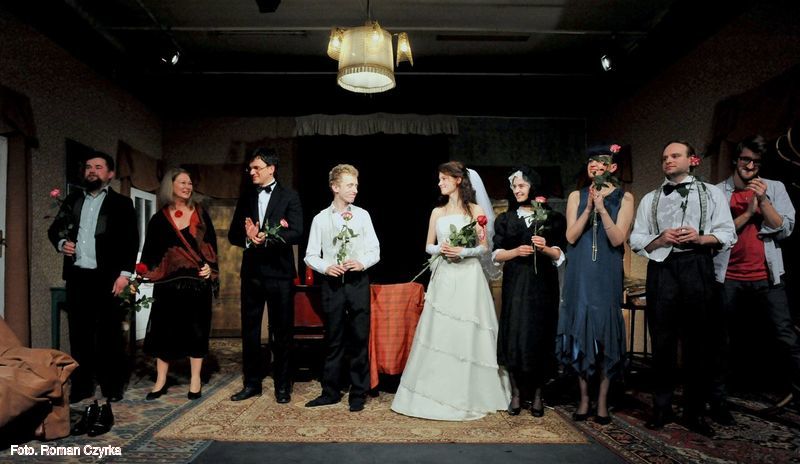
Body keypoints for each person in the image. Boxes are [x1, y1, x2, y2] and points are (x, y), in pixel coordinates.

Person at [630, 140, 736, 437]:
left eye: (675, 156)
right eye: (665, 157)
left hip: (697, 266)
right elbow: (635, 239)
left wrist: (700, 238)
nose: (668, 161)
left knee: (697, 343)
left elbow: (728, 233)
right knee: (661, 341)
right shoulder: (650, 198)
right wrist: (660, 239)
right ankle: (661, 408)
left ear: (693, 160)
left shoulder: (711, 193)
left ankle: (694, 411)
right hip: (662, 268)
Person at [391, 161, 511, 421]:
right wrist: (443, 249)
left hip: (469, 276)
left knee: (467, 328)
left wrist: (463, 251)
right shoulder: (438, 212)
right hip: (445, 275)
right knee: (442, 330)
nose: (440, 183)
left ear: (458, 180)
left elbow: (484, 247)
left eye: (444, 179)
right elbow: (428, 246)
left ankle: (471, 389)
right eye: (439, 179)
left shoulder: (476, 211)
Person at [47, 152, 138, 436]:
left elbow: (131, 240)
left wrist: (124, 275)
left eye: (98, 167)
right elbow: (54, 230)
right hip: (78, 278)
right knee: (80, 334)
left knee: (109, 334)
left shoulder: (121, 204)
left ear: (110, 174)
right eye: (88, 167)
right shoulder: (72, 200)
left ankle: (112, 387)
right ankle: (82, 386)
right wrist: (62, 243)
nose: (92, 171)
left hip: (107, 278)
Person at [709, 135, 797, 425]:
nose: (750, 166)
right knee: (721, 340)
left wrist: (763, 201)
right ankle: (718, 402)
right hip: (728, 277)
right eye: (745, 159)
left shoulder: (775, 187)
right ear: (736, 159)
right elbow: (717, 233)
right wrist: (748, 213)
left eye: (756, 162)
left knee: (786, 337)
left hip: (767, 276)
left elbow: (783, 228)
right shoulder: (717, 192)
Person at [556, 145, 634, 425]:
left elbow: (618, 239)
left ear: (612, 167)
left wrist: (602, 209)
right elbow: (570, 237)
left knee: (604, 333)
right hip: (579, 272)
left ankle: (602, 400)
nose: (594, 165)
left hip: (606, 272)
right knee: (579, 330)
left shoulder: (625, 197)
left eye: (601, 161)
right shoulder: (576, 196)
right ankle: (583, 398)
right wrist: (588, 207)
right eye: (590, 161)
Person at [228, 147, 303, 403]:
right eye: (250, 168)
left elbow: (297, 232)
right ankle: (252, 384)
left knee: (282, 331)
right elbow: (233, 234)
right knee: (249, 331)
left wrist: (268, 238)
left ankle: (283, 385)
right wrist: (249, 238)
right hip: (252, 274)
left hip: (280, 274)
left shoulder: (289, 196)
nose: (252, 172)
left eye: (256, 168)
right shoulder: (246, 196)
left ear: (271, 169)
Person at [304, 164, 380, 412]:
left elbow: (375, 250)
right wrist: (326, 267)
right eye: (350, 185)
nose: (355, 189)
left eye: (356, 185)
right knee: (334, 339)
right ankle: (330, 392)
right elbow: (310, 255)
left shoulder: (363, 216)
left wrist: (361, 262)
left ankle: (358, 393)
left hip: (358, 283)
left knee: (359, 339)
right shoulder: (320, 219)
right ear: (335, 187)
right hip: (333, 285)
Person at [139, 168, 219, 401]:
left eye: (190, 183)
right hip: (168, 286)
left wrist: (210, 268)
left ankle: (195, 379)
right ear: (170, 186)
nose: (187, 187)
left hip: (197, 284)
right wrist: (141, 274)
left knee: (197, 331)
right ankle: (161, 380)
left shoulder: (201, 215)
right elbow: (150, 252)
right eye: (182, 182)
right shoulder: (159, 219)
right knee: (163, 331)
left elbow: (212, 247)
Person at [493, 166, 566, 417]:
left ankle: (537, 394)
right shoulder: (505, 219)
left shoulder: (553, 218)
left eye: (522, 185)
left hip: (542, 285)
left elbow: (560, 255)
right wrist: (515, 252)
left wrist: (545, 248)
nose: (517, 190)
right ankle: (516, 393)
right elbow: (496, 254)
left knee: (540, 334)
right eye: (514, 186)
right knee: (514, 333)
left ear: (533, 187)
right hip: (515, 283)